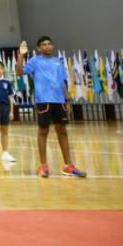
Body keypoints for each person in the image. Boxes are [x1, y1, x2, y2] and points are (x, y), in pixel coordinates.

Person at [16, 37, 87, 178]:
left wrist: (67, 100)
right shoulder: (35, 61)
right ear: (38, 48)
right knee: (43, 131)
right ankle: (43, 166)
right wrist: (21, 55)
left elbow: (63, 82)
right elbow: (19, 72)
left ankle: (68, 166)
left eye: (49, 44)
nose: (47, 46)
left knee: (62, 131)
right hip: (44, 101)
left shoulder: (58, 61)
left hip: (59, 101)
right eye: (44, 44)